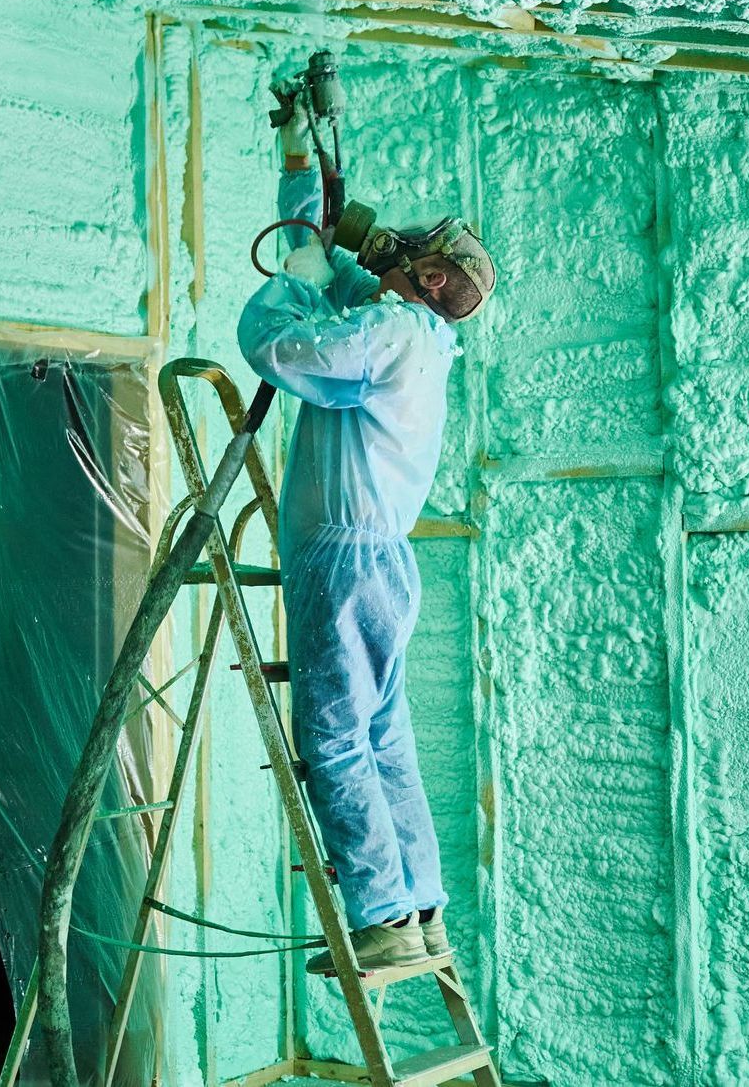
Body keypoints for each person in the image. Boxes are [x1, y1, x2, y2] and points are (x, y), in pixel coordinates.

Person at [237, 92, 496, 974]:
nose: (401, 240)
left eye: (413, 248)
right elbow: (329, 264)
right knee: (382, 738)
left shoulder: (384, 331)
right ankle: (418, 907)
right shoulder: (414, 334)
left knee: (337, 737)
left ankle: (381, 918)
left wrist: (290, 282)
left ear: (427, 281)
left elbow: (278, 343)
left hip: (343, 562)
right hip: (382, 562)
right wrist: (299, 164)